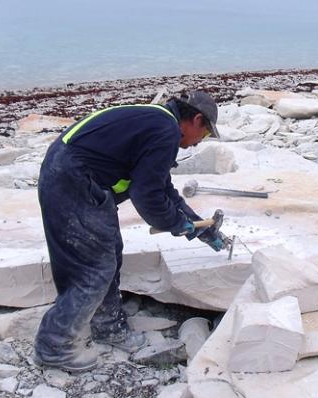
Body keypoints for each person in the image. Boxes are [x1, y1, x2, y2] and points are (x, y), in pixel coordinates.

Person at [33, 91, 225, 371]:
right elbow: (147, 195)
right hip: (73, 181)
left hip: (74, 176)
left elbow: (162, 187)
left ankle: (108, 326)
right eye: (205, 134)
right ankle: (54, 346)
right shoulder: (165, 131)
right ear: (196, 120)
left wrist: (197, 226)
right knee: (94, 268)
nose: (197, 143)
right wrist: (174, 223)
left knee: (109, 252)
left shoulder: (159, 123)